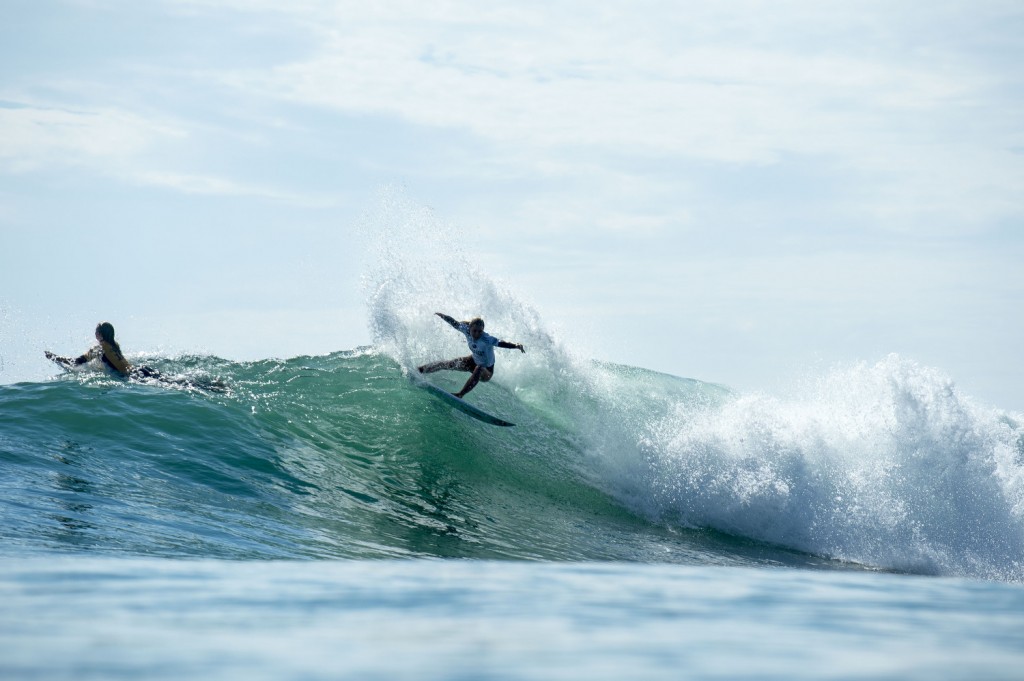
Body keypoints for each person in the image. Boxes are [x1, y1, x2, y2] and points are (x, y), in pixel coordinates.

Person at [418, 313, 525, 398]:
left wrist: (516, 345)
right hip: (472, 361)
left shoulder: (486, 339)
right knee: (449, 363)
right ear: (470, 328)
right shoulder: (466, 329)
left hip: (486, 371)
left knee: (479, 368)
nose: (477, 334)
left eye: (480, 331)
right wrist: (442, 316)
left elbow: (501, 343)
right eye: (475, 331)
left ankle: (460, 395)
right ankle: (421, 370)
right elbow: (454, 323)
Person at [46, 322, 160, 380]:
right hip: (140, 369)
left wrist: (55, 358)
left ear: (100, 334)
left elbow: (76, 362)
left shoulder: (100, 348)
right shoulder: (114, 344)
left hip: (134, 375)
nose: (95, 334)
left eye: (96, 332)